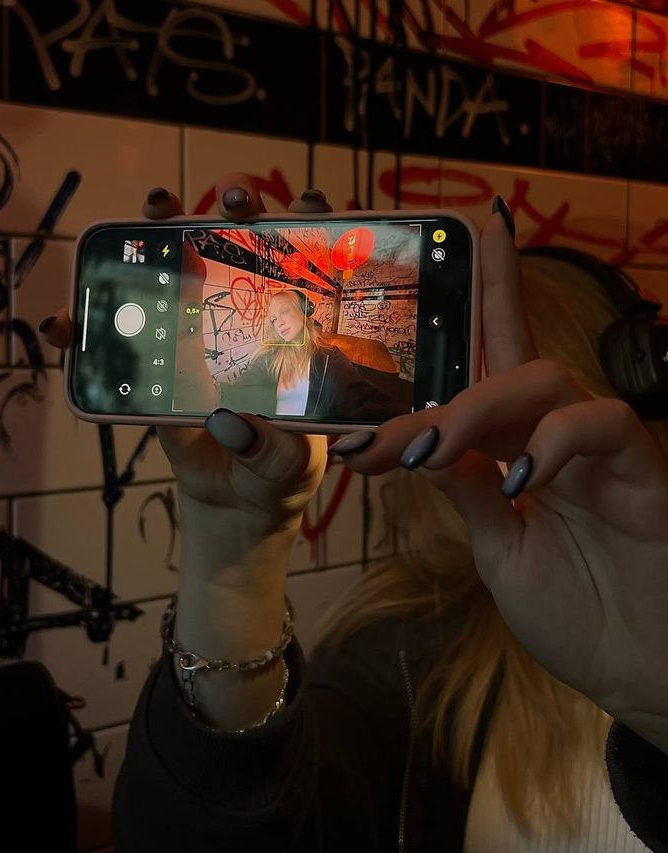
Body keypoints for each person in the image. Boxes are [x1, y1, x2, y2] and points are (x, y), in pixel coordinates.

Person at [42, 174, 668, 852]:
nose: (490, 429)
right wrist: (234, 554)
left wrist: (659, 695)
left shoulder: (353, 375)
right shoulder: (402, 659)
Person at [218, 286, 400, 420]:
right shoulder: (267, 358)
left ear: (305, 311)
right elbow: (237, 393)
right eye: (273, 319)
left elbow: (360, 398)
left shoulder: (330, 359)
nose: (279, 322)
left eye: (285, 311)